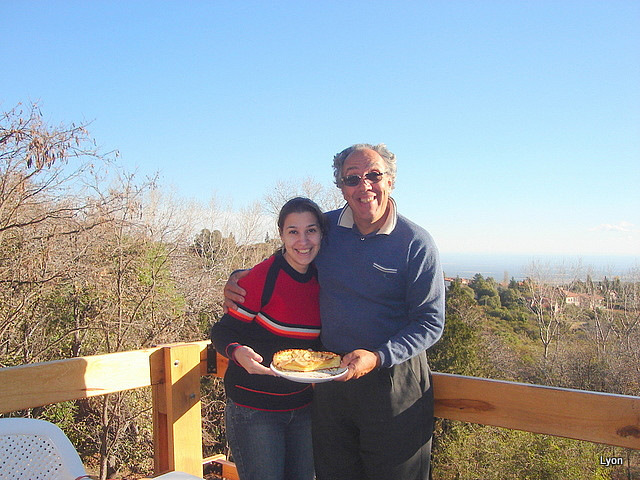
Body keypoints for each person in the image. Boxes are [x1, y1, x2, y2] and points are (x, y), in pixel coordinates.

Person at [224, 144, 445, 480]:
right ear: (341, 187)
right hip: (330, 379)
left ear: (391, 180)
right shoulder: (324, 229)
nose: (364, 186)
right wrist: (240, 278)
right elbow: (286, 261)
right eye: (352, 178)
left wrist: (378, 357)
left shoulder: (415, 242)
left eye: (374, 175)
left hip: (394, 380)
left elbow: (430, 321)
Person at [211, 197, 327, 480]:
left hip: (303, 408)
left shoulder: (324, 279)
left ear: (321, 234)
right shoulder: (264, 276)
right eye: (293, 231)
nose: (303, 241)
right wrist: (237, 352)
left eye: (311, 230)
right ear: (281, 235)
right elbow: (222, 331)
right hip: (254, 411)